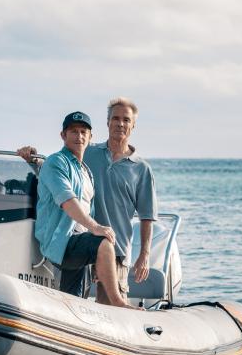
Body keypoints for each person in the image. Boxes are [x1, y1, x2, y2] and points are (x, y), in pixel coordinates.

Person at [19, 97, 157, 305]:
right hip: (80, 238)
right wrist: (32, 159)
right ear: (108, 122)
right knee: (77, 302)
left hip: (115, 247)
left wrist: (144, 254)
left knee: (108, 308)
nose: (120, 123)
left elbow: (147, 216)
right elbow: (58, 171)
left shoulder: (141, 169)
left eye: (126, 120)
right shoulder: (87, 152)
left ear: (133, 125)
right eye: (116, 118)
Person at [33, 111, 134, 308]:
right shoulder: (56, 162)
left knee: (74, 302)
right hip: (62, 242)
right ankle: (119, 303)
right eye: (73, 132)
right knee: (104, 242)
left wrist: (97, 259)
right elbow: (67, 201)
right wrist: (96, 228)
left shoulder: (86, 172)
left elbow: (89, 210)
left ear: (90, 137)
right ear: (63, 135)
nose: (79, 136)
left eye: (83, 132)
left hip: (79, 242)